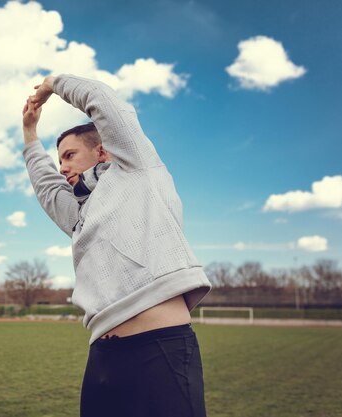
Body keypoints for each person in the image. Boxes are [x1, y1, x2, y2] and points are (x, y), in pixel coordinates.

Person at [22, 74, 212, 417]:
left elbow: (103, 101)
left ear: (102, 149)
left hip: (159, 347)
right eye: (59, 159)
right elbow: (48, 189)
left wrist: (51, 84)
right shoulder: (80, 212)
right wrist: (30, 135)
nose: (62, 166)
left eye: (69, 155)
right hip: (102, 359)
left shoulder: (137, 169)